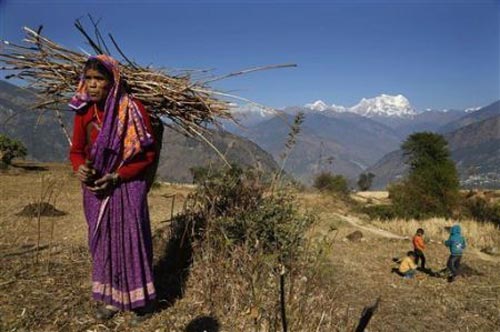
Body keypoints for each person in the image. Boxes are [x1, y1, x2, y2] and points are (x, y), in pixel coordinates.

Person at [69, 55, 157, 323]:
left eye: (99, 79)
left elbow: (146, 156)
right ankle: (109, 300)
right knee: (104, 242)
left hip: (128, 186)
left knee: (133, 239)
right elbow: (76, 151)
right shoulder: (84, 113)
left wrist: (118, 176)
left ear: (113, 82)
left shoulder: (132, 110)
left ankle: (141, 303)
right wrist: (80, 167)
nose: (93, 85)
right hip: (96, 189)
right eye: (89, 79)